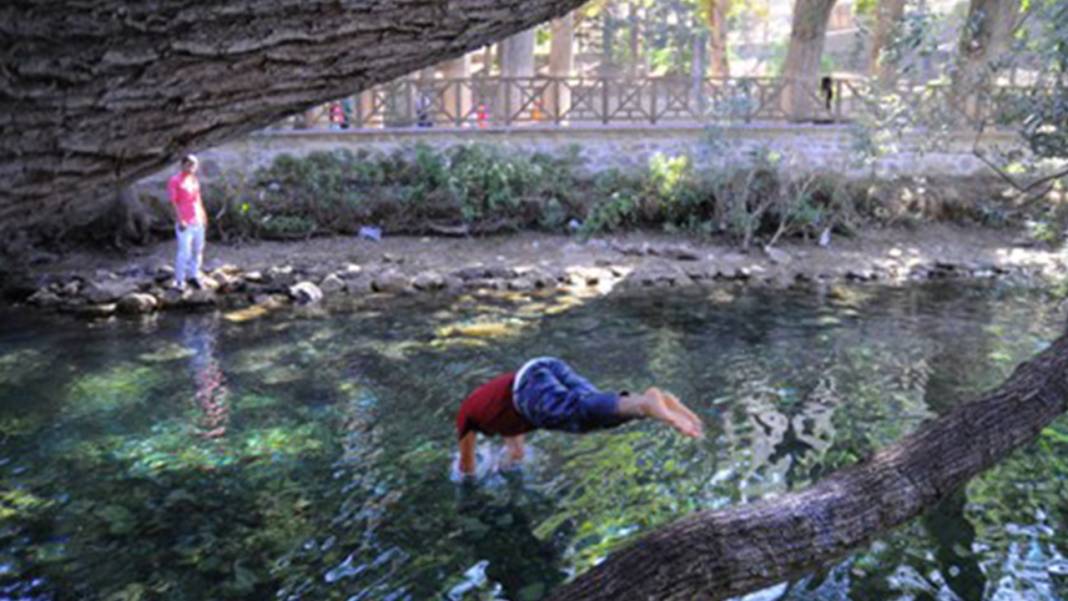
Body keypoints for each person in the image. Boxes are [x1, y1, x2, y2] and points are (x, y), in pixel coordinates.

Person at [456, 357, 704, 476]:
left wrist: (470, 483)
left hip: (527, 387)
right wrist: (506, 466)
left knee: (576, 415)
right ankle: (644, 404)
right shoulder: (497, 412)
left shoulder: (467, 417)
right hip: (545, 367)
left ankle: (646, 404)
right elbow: (516, 451)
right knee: (591, 408)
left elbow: (466, 467)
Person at [166, 154, 207, 290]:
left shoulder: (194, 180)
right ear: (182, 165)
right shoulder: (175, 180)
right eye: (189, 164)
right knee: (185, 252)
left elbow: (198, 199)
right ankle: (179, 280)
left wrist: (203, 215)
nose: (191, 167)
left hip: (197, 220)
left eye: (194, 165)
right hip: (184, 221)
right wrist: (180, 219)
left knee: (198, 250)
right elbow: (173, 202)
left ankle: (193, 275)